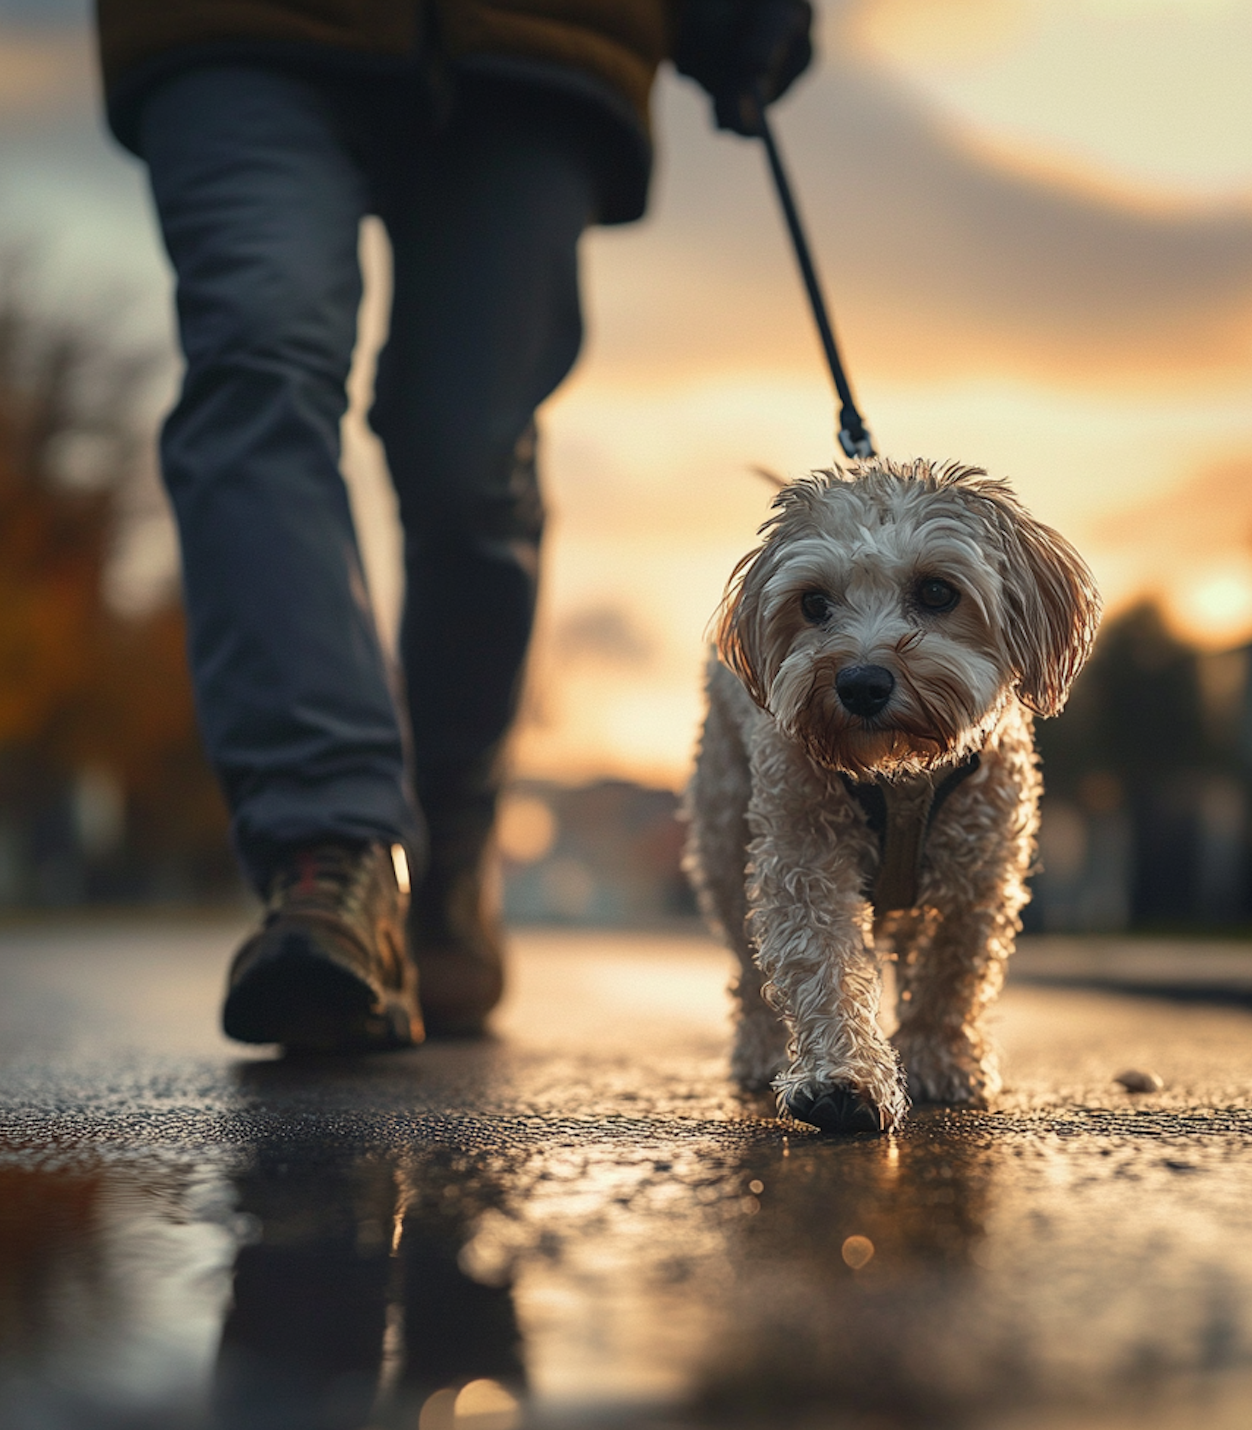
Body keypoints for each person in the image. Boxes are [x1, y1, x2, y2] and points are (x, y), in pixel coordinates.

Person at [94, 0, 814, 1049]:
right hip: (237, 27)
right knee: (255, 364)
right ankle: (331, 855)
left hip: (536, 36)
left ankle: (445, 859)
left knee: (469, 457)